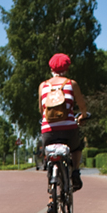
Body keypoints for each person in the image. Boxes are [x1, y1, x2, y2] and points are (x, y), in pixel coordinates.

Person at [38, 53, 88, 197]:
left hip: (48, 130)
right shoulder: (71, 84)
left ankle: (51, 192)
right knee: (77, 148)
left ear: (51, 68)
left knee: (49, 157)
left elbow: (42, 110)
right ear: (67, 68)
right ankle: (75, 172)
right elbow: (82, 106)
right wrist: (83, 116)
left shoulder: (43, 86)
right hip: (68, 129)